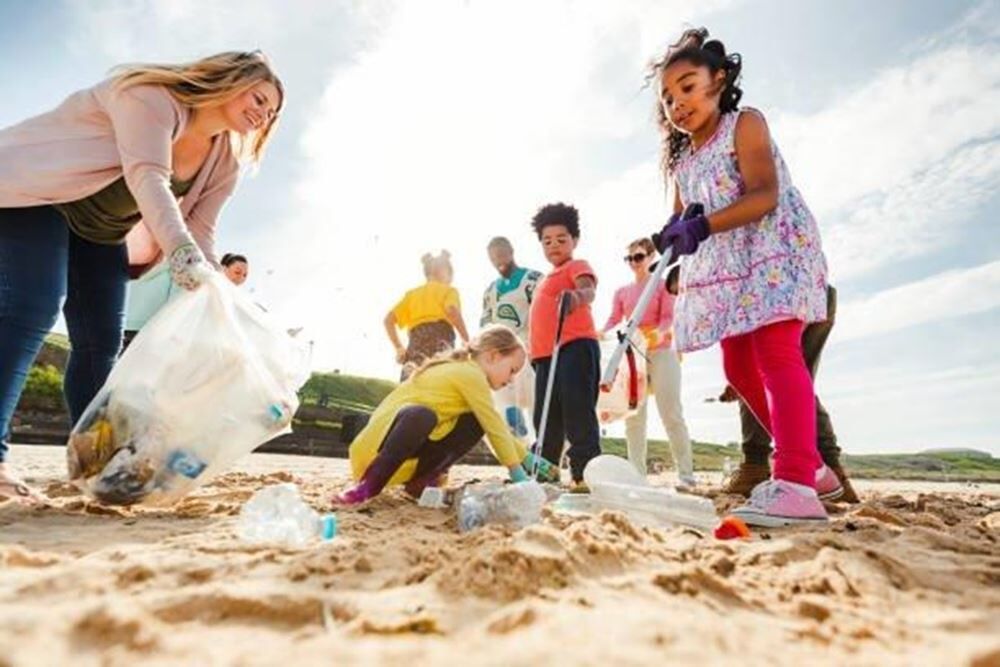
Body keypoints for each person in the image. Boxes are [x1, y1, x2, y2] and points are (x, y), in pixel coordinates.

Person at [0, 51, 283, 501]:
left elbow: (201, 230)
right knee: (33, 306)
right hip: (34, 193)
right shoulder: (151, 97)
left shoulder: (224, 160)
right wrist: (182, 254)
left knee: (100, 344)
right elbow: (147, 176)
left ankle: (101, 462)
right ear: (231, 80)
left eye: (272, 112)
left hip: (100, 231)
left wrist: (215, 288)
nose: (264, 113)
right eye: (260, 98)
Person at [650, 28, 838, 526]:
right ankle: (815, 466)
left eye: (688, 87)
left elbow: (764, 195)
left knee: (777, 352)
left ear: (720, 78)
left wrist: (702, 225)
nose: (677, 103)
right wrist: (669, 236)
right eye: (668, 97)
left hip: (774, 251)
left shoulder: (745, 124)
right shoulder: (684, 161)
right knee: (738, 369)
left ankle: (796, 479)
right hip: (729, 270)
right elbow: (681, 214)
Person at [333, 325, 545, 506]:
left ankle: (420, 484)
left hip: (405, 459)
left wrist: (527, 457)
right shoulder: (469, 373)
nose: (512, 380)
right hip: (374, 454)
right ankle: (367, 487)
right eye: (512, 370)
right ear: (493, 356)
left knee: (474, 422)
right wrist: (517, 472)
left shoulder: (468, 374)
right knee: (421, 416)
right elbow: (495, 427)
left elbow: (492, 425)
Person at [717, 285, 859, 502]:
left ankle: (757, 467)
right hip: (807, 287)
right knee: (791, 383)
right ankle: (829, 470)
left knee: (775, 375)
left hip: (778, 289)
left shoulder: (715, 273)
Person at [603, 237, 695, 485]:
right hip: (633, 357)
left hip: (662, 352)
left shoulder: (663, 286)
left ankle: (686, 475)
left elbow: (669, 318)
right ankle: (637, 476)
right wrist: (601, 333)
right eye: (630, 258)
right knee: (634, 417)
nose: (634, 262)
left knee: (671, 413)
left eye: (639, 256)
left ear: (652, 257)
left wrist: (656, 334)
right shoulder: (622, 292)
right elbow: (613, 320)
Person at [528, 203, 601, 490]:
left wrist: (577, 297)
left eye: (561, 239)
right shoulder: (546, 278)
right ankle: (545, 468)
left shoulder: (576, 265)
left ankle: (584, 472)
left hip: (575, 347)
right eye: (547, 241)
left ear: (574, 240)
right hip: (545, 356)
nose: (554, 246)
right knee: (546, 417)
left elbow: (589, 289)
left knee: (578, 409)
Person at [121, 251, 251, 352]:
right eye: (237, 272)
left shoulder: (217, 290)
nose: (240, 278)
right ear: (224, 268)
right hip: (145, 327)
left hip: (140, 324)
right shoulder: (199, 277)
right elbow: (176, 304)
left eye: (245, 275)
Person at [480, 236, 542, 438]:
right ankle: (519, 450)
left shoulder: (532, 280)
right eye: (491, 258)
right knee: (507, 407)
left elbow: (544, 314)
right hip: (501, 358)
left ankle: (542, 452)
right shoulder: (490, 290)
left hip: (530, 355)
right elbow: (485, 324)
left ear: (510, 252)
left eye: (500, 255)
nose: (497, 261)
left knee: (537, 405)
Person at [384, 250, 470, 381]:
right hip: (440, 340)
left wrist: (399, 348)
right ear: (444, 271)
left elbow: (388, 320)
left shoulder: (412, 295)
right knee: (437, 384)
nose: (451, 281)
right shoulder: (449, 291)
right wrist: (466, 340)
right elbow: (452, 311)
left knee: (410, 383)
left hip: (415, 343)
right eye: (451, 276)